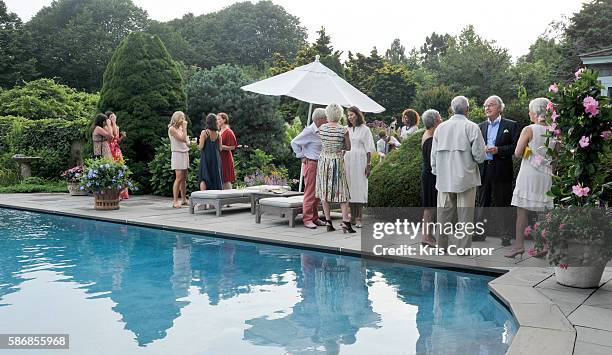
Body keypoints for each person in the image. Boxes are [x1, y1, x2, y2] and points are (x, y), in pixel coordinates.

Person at [431, 96, 486, 251]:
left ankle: (441, 247)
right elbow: (480, 157)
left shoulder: (440, 128)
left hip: (444, 179)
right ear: (467, 109)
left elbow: (433, 155)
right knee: (465, 218)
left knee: (443, 216)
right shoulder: (472, 127)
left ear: (451, 108)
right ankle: (463, 249)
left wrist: (437, 172)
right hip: (466, 178)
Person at [505, 98, 556, 258]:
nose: (529, 113)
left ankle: (519, 246)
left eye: (530, 111)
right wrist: (551, 174)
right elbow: (555, 159)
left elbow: (518, 152)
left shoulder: (529, 129)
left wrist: (530, 153)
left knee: (522, 213)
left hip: (529, 174)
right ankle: (544, 246)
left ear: (534, 113)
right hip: (546, 175)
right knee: (544, 213)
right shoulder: (554, 130)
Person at [475, 96, 520, 246]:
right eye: (485, 105)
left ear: (500, 108)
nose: (487, 108)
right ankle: (479, 233)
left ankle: (505, 235)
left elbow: (516, 148)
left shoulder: (511, 125)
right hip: (484, 169)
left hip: (501, 169)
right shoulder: (479, 126)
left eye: (491, 105)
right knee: (482, 203)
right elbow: (473, 147)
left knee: (502, 204)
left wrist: (498, 150)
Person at [315, 103, 356, 234]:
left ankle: (328, 222)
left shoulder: (321, 128)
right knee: (342, 192)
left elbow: (323, 143)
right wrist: (341, 144)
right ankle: (345, 222)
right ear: (339, 114)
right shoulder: (343, 130)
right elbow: (348, 148)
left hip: (323, 161)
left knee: (324, 191)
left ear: (328, 114)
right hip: (337, 161)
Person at [291, 108, 328, 229]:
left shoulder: (322, 131)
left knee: (317, 194)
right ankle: (307, 219)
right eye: (326, 118)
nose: (327, 120)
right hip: (311, 164)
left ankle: (315, 218)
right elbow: (294, 142)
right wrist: (301, 156)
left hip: (320, 164)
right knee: (310, 193)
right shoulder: (309, 131)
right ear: (319, 119)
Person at [345, 106, 376, 228]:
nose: (350, 117)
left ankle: (359, 217)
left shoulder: (365, 129)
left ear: (357, 115)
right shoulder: (346, 129)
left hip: (360, 160)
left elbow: (369, 149)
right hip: (348, 159)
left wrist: (369, 165)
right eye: (348, 115)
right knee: (350, 187)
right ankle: (352, 216)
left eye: (352, 114)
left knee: (360, 187)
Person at [420, 109, 443, 247]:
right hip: (430, 175)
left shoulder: (430, 134)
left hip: (429, 174)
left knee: (431, 206)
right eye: (440, 118)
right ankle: (426, 237)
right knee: (430, 207)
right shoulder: (430, 139)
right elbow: (433, 161)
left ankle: (428, 235)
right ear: (435, 121)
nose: (442, 120)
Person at [168, 111, 190, 208]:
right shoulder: (172, 129)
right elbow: (182, 139)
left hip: (184, 152)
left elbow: (186, 140)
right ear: (177, 118)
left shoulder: (180, 128)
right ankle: (175, 201)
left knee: (184, 178)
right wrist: (185, 128)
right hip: (177, 154)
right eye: (182, 118)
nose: (183, 120)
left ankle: (184, 199)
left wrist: (189, 142)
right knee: (179, 177)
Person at [105, 111, 129, 200]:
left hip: (116, 149)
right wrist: (113, 123)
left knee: (120, 168)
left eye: (114, 117)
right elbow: (112, 136)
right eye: (111, 117)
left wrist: (122, 137)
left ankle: (122, 193)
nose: (114, 118)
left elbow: (117, 140)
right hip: (109, 150)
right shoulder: (106, 127)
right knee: (112, 169)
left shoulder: (117, 127)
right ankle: (112, 193)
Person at [198, 113, 223, 192]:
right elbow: (220, 148)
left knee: (203, 177)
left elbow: (201, 147)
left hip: (206, 157)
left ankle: (203, 199)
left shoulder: (204, 133)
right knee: (214, 176)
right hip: (216, 158)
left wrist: (198, 143)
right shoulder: (218, 134)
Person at [217, 112, 237, 189]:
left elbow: (233, 146)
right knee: (221, 178)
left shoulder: (228, 131)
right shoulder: (219, 131)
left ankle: (230, 197)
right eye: (217, 119)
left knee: (226, 179)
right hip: (220, 157)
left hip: (226, 158)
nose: (217, 121)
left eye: (219, 119)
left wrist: (221, 147)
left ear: (224, 120)